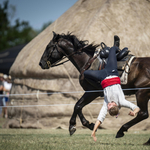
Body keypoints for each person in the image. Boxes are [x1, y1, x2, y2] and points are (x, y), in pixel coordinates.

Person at [84, 46, 140, 142]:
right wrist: (134, 112)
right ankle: (116, 54)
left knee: (85, 73)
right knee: (112, 49)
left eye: (108, 106)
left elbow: (100, 118)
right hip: (112, 71)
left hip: (102, 76)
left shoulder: (106, 105)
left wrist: (93, 131)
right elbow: (137, 107)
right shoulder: (121, 101)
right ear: (115, 105)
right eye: (110, 105)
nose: (108, 104)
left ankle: (97, 85)